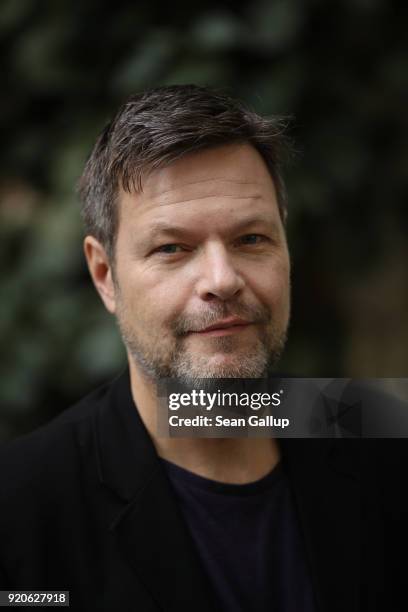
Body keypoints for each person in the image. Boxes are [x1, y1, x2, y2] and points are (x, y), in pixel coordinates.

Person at [0, 85, 406, 612]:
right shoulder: (19, 510)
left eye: (251, 239)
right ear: (105, 276)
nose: (222, 279)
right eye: (172, 248)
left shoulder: (378, 431)